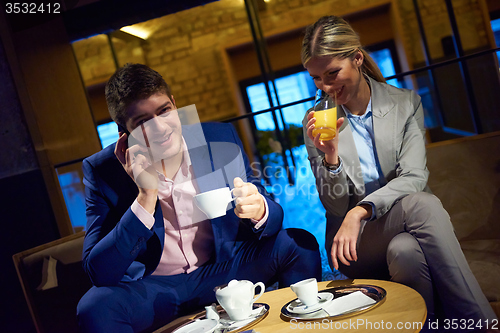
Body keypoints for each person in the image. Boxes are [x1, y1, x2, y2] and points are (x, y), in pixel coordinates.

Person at [77, 63, 321, 333]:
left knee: (299, 243)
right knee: (95, 308)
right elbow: (98, 272)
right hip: (154, 288)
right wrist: (145, 196)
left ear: (174, 103)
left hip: (222, 271)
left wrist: (259, 209)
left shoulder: (216, 137)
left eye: (164, 111)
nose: (159, 127)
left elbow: (270, 216)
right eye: (143, 122)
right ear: (124, 132)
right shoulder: (102, 170)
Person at [301, 15, 497, 329]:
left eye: (332, 73)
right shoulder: (316, 121)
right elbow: (336, 208)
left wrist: (361, 210)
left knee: (406, 253)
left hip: (394, 225)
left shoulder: (405, 104)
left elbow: (414, 176)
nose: (325, 87)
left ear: (357, 58)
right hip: (356, 244)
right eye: (316, 79)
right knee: (423, 204)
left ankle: (429, 326)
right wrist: (331, 158)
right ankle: (481, 324)